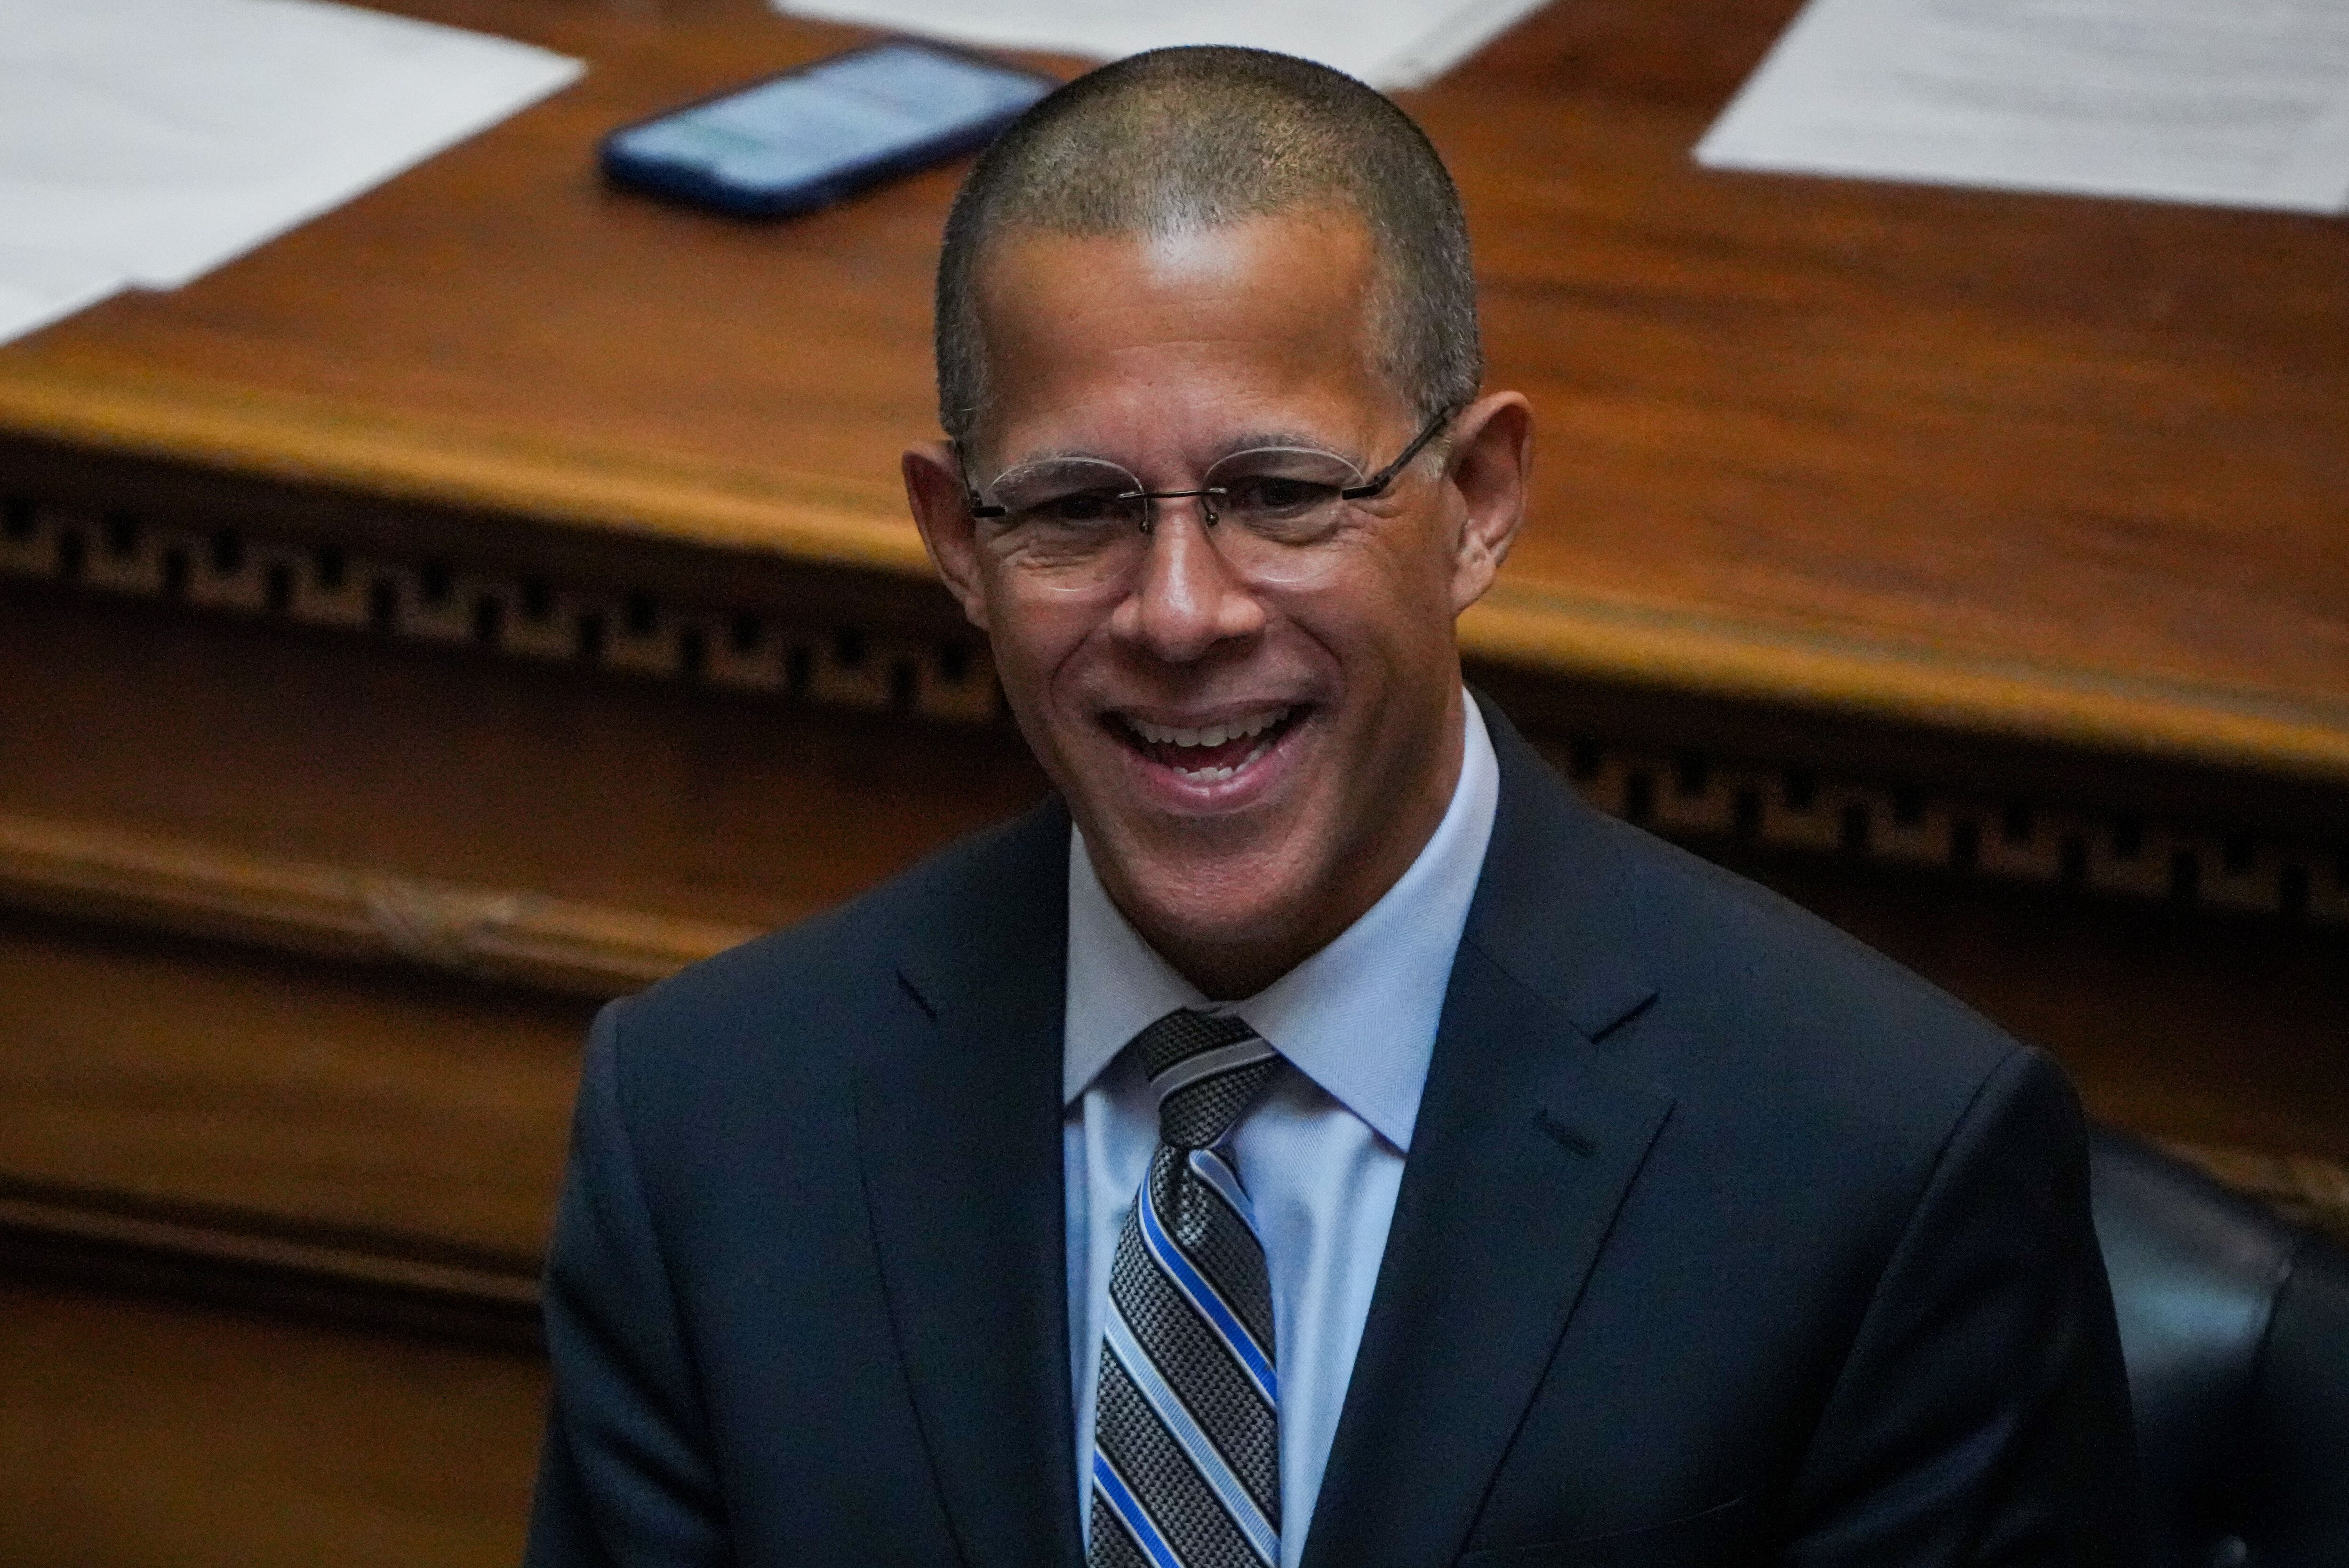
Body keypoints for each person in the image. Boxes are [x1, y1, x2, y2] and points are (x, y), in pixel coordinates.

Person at [524, 45, 2138, 1568]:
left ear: (1478, 504)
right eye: (1078, 509)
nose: (1177, 613)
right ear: (959, 541)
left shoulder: (1874, 1163)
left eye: (1280, 496)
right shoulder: (711, 1131)